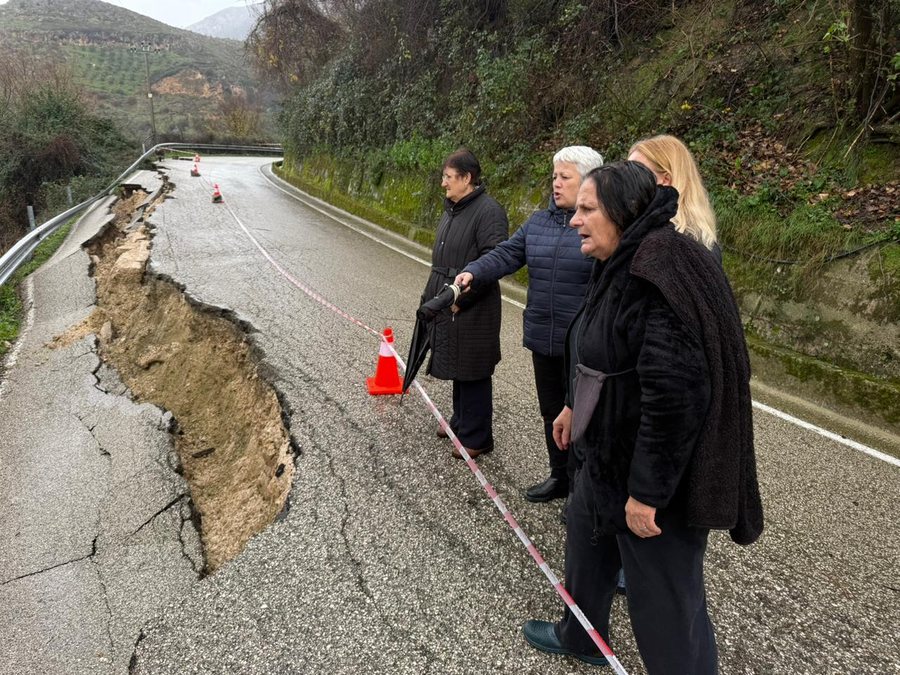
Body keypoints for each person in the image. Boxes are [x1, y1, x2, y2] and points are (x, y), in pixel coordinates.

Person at [521, 162, 763, 673]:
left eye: (587, 210)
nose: (573, 220)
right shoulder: (622, 255)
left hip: (654, 482)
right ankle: (581, 635)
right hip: (606, 457)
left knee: (666, 604)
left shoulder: (658, 270)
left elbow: (677, 397)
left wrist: (647, 494)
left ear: (623, 213)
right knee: (585, 533)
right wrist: (574, 405)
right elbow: (606, 353)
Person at [454, 146, 604, 502]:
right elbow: (506, 254)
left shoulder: (601, 226)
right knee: (551, 411)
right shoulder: (537, 223)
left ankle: (583, 492)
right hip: (542, 336)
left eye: (565, 177)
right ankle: (560, 477)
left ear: (589, 181)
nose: (556, 184)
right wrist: (474, 270)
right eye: (554, 176)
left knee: (585, 420)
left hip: (584, 345)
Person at [422, 148, 509, 459]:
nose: (444, 184)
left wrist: (464, 297)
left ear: (467, 178)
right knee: (457, 362)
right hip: (449, 295)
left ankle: (478, 436)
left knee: (474, 368)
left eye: (448, 177)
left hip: (473, 300)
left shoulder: (489, 212)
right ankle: (460, 421)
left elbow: (494, 259)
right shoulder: (454, 208)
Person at [628, 134, 721, 263]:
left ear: (665, 180)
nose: (626, 182)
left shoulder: (671, 245)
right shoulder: (699, 238)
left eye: (635, 174)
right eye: (625, 173)